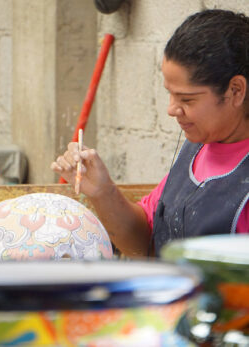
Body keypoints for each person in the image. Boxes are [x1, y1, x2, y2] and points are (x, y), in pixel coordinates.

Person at [51, 9, 249, 258]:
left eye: (187, 99)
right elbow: (145, 242)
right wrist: (103, 191)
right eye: (170, 94)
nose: (172, 109)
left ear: (235, 90)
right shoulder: (198, 147)